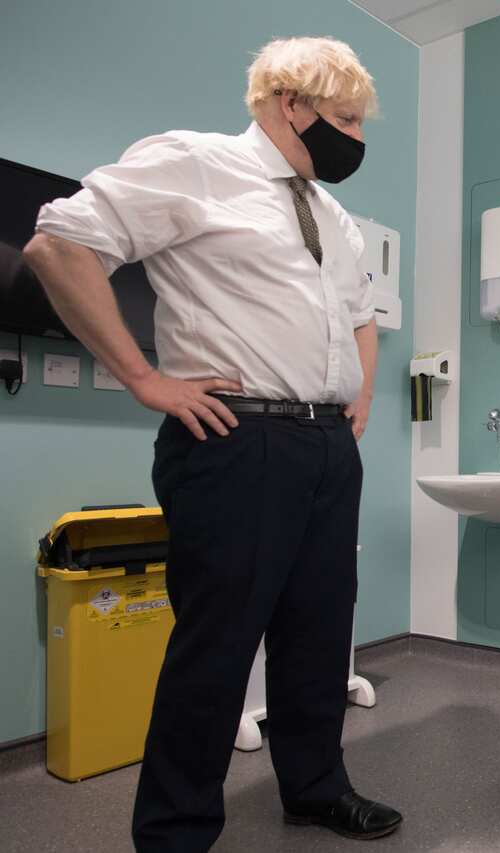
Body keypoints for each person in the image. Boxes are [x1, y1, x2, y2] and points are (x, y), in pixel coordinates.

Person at [23, 37, 403, 851]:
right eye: (344, 119)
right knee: (216, 646)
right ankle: (176, 828)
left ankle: (314, 786)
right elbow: (57, 244)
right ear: (288, 102)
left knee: (319, 631)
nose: (357, 141)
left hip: (328, 451)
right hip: (237, 441)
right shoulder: (195, 164)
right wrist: (142, 377)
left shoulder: (333, 218)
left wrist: (360, 397)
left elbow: (362, 315)